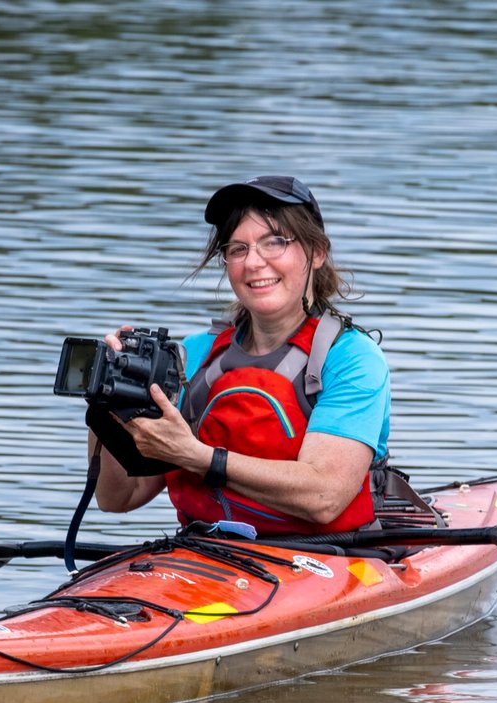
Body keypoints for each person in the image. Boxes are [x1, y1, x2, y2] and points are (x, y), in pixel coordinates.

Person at [89, 176, 391, 536]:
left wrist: (197, 456)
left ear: (317, 251)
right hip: (206, 556)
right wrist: (108, 400)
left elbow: (324, 497)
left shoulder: (351, 358)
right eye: (237, 249)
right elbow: (118, 497)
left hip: (325, 559)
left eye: (275, 242)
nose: (253, 263)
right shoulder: (194, 355)